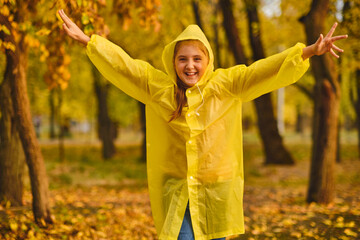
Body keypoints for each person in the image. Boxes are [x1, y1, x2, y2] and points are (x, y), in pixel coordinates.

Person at [57, 9, 347, 240]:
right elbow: (125, 65)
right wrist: (89, 41)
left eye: (197, 58)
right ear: (173, 62)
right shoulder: (157, 88)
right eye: (182, 59)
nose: (190, 65)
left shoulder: (226, 84)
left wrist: (308, 51)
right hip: (176, 191)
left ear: (207, 61)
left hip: (215, 193)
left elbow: (264, 70)